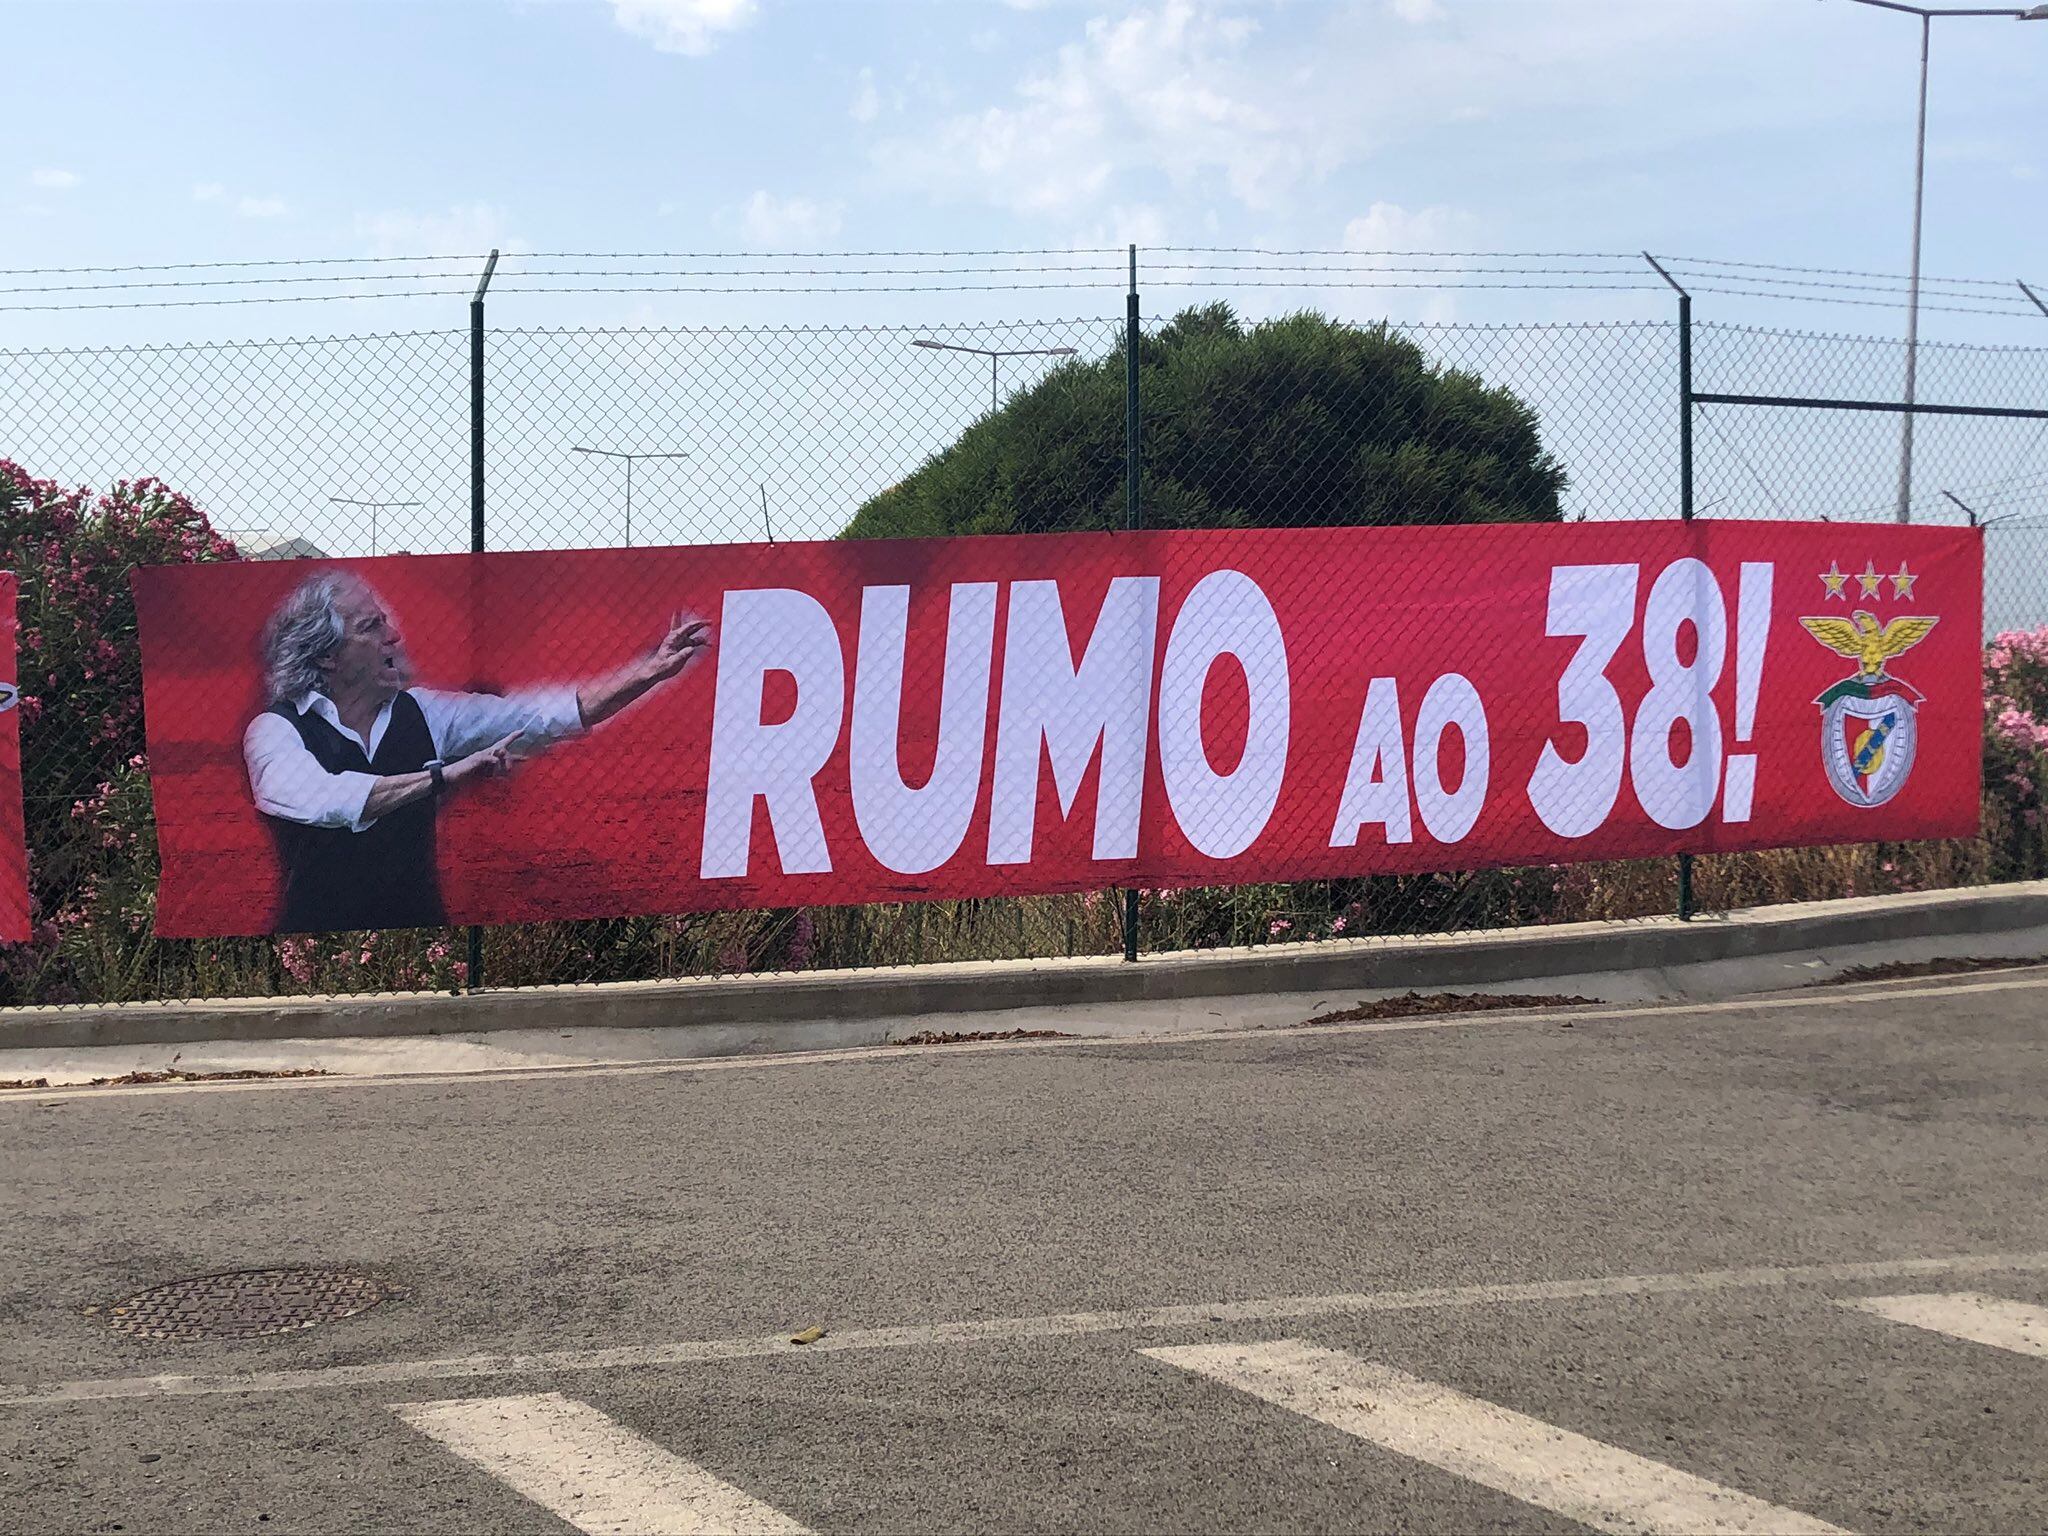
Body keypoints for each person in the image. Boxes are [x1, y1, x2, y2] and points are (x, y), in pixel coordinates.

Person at [243, 569, 710, 933]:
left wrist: (648, 673)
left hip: (420, 930)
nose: (393, 637)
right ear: (327, 655)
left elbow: (543, 717)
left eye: (385, 621)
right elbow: (323, 799)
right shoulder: (273, 731)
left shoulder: (424, 713)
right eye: (370, 627)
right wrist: (443, 776)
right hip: (313, 941)